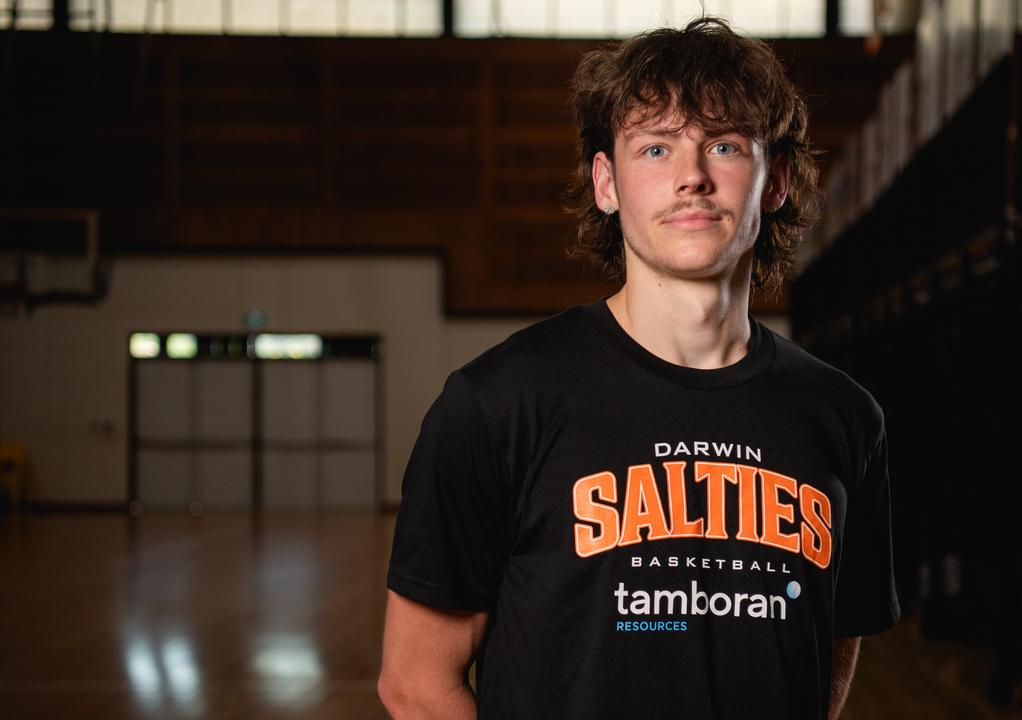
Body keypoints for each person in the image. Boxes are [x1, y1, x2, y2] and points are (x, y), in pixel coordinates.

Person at [379, 17, 898, 720]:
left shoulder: (843, 416)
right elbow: (414, 683)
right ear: (607, 182)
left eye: (723, 144)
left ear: (774, 180)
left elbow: (834, 636)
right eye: (655, 148)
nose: (692, 177)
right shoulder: (497, 403)